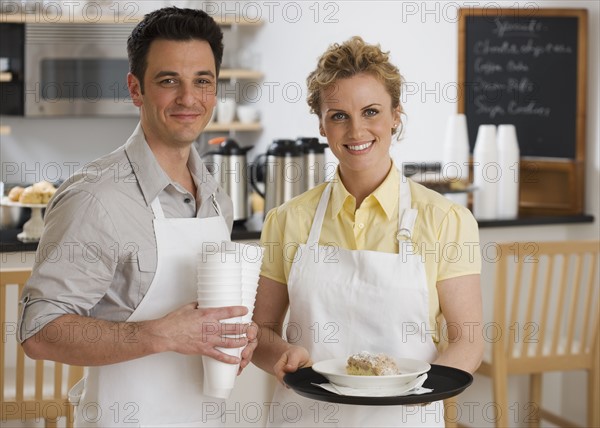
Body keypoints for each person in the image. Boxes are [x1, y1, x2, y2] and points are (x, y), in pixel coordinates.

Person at [18, 7, 256, 427]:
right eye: (169, 81)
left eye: (202, 81)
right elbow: (39, 332)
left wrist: (234, 336)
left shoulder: (217, 198)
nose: (188, 98)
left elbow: (204, 317)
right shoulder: (96, 197)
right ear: (135, 89)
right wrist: (161, 334)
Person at [252, 36, 484, 427]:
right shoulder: (287, 220)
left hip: (405, 418)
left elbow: (469, 340)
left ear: (396, 115)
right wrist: (283, 355)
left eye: (371, 111)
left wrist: (420, 389)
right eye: (339, 115)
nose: (356, 130)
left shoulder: (446, 221)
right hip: (306, 417)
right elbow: (260, 331)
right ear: (322, 125)